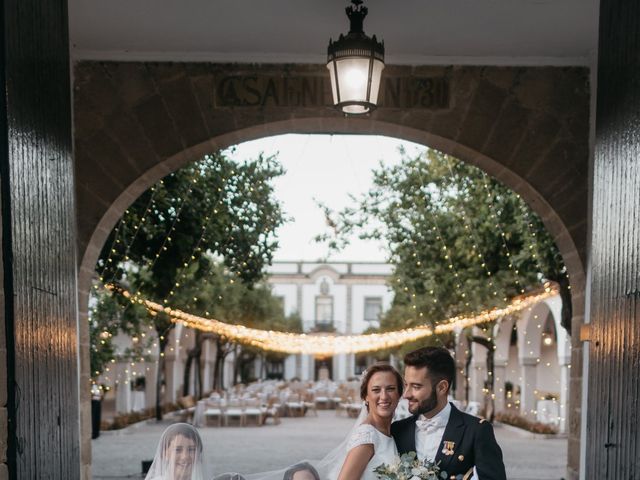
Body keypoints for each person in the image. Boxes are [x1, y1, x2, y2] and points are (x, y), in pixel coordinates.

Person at [391, 346, 506, 480]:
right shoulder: (398, 430)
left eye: (416, 386)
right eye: (406, 385)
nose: (406, 394)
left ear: (441, 387)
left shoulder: (476, 431)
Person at [334, 363, 403, 480]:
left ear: (399, 394)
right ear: (366, 396)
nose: (384, 396)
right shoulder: (367, 437)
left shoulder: (392, 431)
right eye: (376, 390)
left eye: (390, 389)